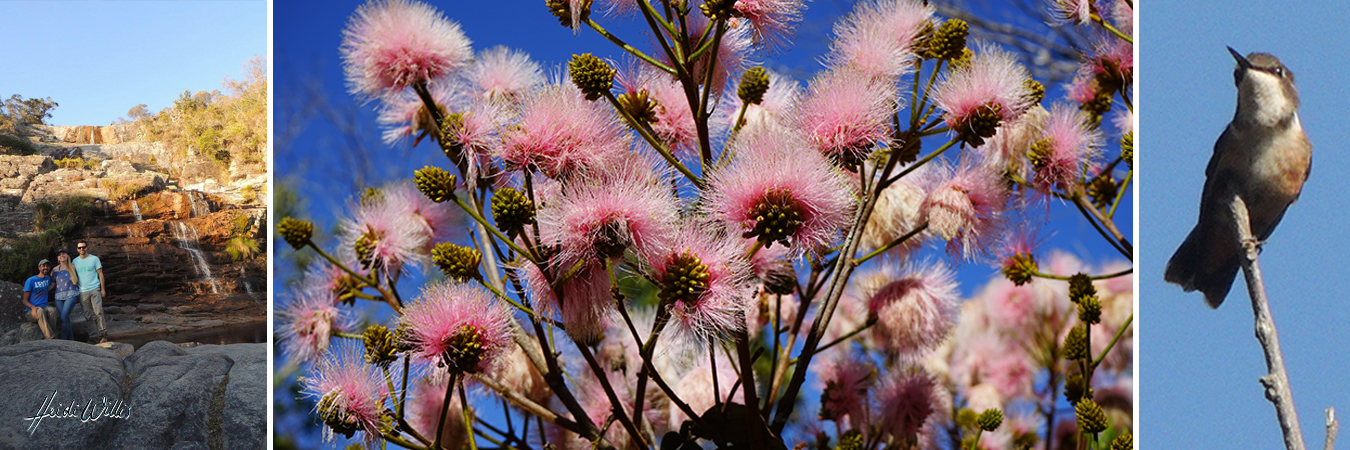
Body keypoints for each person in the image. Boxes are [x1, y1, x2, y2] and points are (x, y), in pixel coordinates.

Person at [72, 240, 107, 342]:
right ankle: (93, 336)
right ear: (77, 249)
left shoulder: (94, 259)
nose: (82, 249)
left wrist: (103, 289)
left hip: (95, 288)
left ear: (87, 248)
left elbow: (100, 274)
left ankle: (103, 334)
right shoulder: (75, 261)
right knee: (88, 315)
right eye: (79, 248)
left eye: (83, 247)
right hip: (83, 291)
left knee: (98, 312)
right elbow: (72, 276)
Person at [22, 259, 56, 340]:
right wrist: (33, 308)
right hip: (31, 312)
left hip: (44, 307)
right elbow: (24, 300)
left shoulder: (47, 279)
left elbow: (49, 287)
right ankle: (50, 337)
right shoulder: (31, 280)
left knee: (53, 311)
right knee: (40, 311)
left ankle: (53, 333)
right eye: (43, 266)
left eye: (47, 266)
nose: (45, 268)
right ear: (39, 268)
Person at [51, 248, 80, 340]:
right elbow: (52, 283)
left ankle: (63, 341)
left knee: (63, 318)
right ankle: (71, 341)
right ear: (58, 258)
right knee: (66, 320)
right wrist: (42, 291)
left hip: (71, 294)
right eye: (59, 255)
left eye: (63, 254)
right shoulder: (55, 269)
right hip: (58, 296)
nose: (61, 256)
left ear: (67, 256)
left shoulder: (73, 267)